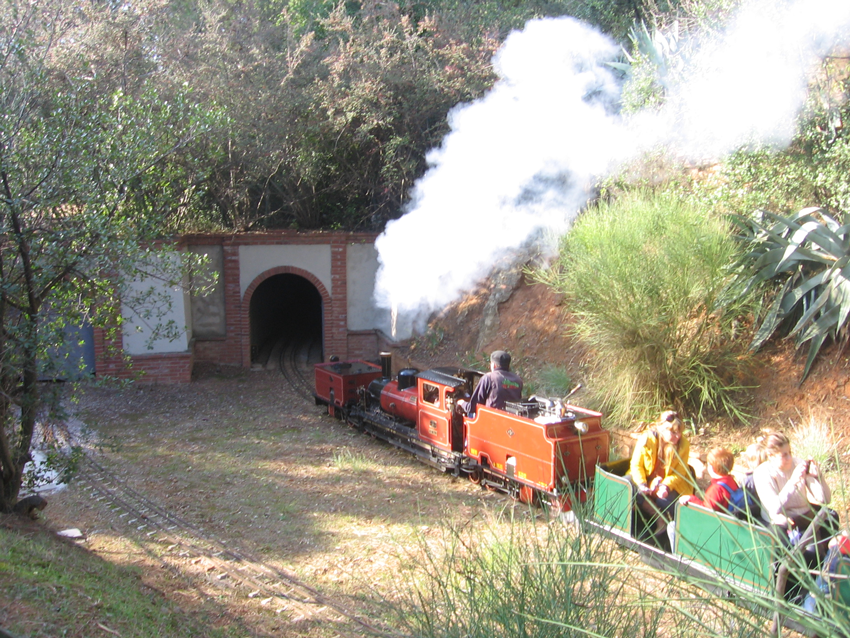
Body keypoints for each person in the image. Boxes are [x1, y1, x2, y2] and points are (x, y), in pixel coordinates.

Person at [753, 431, 836, 554]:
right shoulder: (762, 473)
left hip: (805, 517)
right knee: (807, 553)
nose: (789, 458)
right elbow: (774, 508)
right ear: (771, 456)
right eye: (784, 455)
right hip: (781, 522)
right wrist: (792, 482)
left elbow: (824, 500)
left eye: (790, 453)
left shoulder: (798, 464)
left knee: (832, 518)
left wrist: (818, 477)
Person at [630, 410, 695, 538]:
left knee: (666, 501)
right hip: (647, 479)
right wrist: (642, 484)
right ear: (662, 429)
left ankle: (677, 534)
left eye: (680, 433)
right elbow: (636, 464)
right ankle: (660, 520)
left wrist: (665, 486)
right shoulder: (647, 439)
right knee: (635, 491)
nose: (678, 437)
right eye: (674, 433)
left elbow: (680, 472)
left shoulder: (683, 445)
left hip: (670, 483)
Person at [464, 350, 523, 417]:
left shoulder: (489, 378)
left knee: (471, 414)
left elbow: (473, 407)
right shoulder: (518, 380)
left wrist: (462, 403)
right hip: (511, 419)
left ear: (494, 365)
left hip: (492, 419)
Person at [680, 447, 739, 512]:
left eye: (707, 464)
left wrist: (691, 498)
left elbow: (706, 512)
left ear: (712, 467)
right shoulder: (731, 480)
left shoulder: (716, 489)